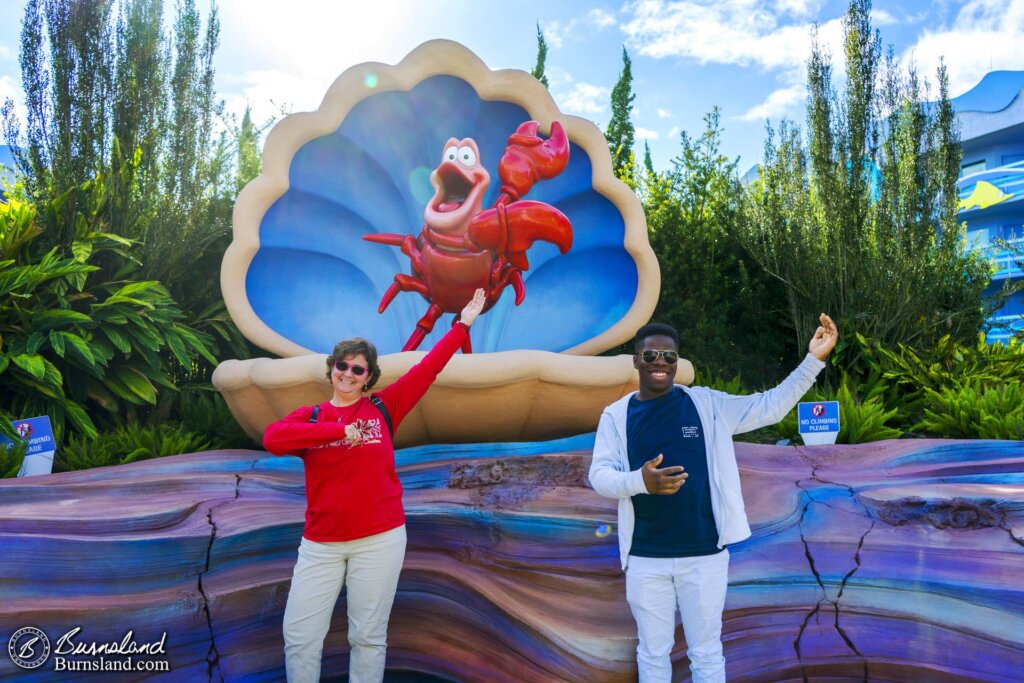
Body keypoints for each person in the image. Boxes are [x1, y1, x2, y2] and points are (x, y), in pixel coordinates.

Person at [589, 314, 838, 683]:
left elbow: (770, 406)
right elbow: (600, 477)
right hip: (645, 559)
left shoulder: (707, 405)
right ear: (636, 360)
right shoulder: (616, 416)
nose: (661, 362)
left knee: (706, 653)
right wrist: (640, 481)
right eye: (652, 354)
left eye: (670, 357)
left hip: (704, 556)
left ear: (678, 362)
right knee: (653, 653)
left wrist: (813, 361)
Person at [263, 288, 487, 683]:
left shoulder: (384, 408)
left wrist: (463, 323)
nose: (348, 374)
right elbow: (273, 438)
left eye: (358, 369)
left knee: (367, 636)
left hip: (379, 539)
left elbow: (429, 368)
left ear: (368, 378)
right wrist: (334, 430)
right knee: (299, 636)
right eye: (342, 366)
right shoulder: (312, 417)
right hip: (321, 544)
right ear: (331, 368)